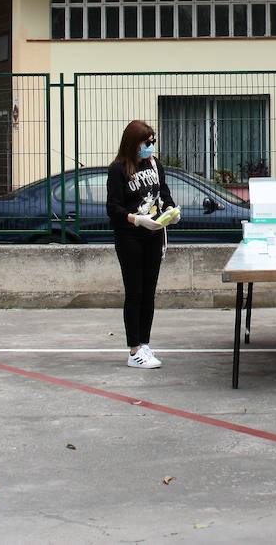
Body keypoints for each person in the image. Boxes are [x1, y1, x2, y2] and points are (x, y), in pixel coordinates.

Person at [106, 119, 181, 369]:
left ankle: (145, 343)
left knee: (149, 291)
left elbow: (164, 193)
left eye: (152, 142)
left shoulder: (154, 163)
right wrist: (136, 219)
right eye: (146, 142)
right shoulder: (118, 169)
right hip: (130, 236)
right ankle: (134, 348)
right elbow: (113, 208)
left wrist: (170, 210)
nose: (150, 146)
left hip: (154, 233)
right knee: (135, 291)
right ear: (133, 143)